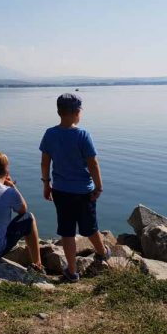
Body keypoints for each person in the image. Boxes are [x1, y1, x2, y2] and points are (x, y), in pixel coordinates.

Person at [39, 93, 110, 282]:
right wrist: (99, 187)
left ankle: (72, 271)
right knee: (90, 227)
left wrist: (46, 184)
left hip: (61, 191)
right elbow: (93, 164)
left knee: (67, 232)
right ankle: (102, 252)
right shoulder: (82, 135)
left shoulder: (50, 134)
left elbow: (45, 162)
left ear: (59, 111)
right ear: (77, 112)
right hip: (83, 192)